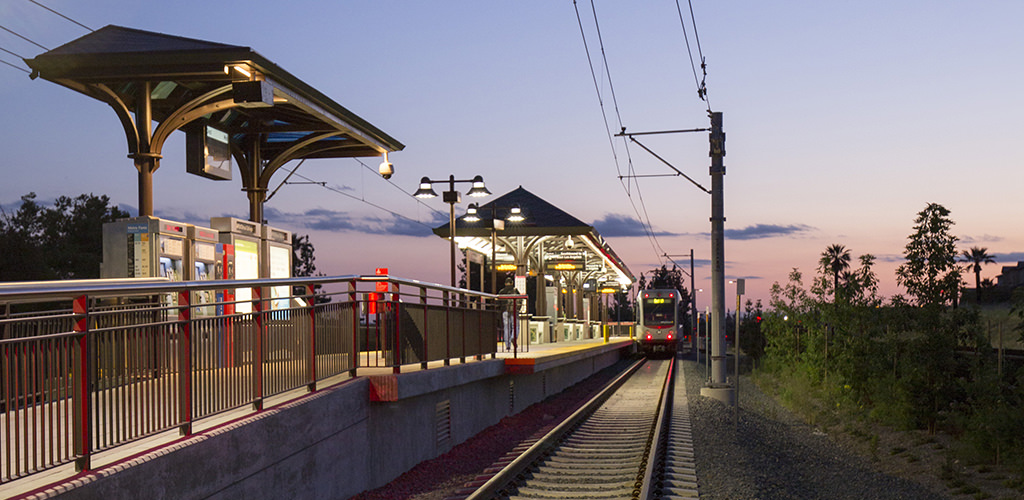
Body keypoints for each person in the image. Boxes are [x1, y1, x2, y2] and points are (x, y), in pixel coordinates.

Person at [498, 277, 517, 350]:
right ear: (512, 283)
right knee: (514, 326)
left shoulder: (501, 292)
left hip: (504, 311)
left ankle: (507, 345)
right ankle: (513, 337)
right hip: (513, 310)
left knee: (506, 328)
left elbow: (498, 303)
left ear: (505, 284)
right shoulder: (515, 291)